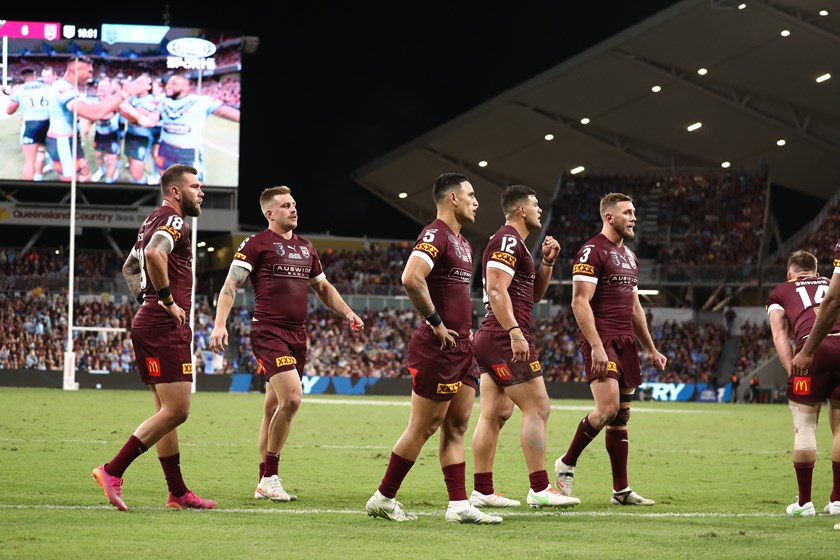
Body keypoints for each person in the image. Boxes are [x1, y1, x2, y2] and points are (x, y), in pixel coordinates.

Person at [208, 186, 364, 502]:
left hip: (298, 335)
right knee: (292, 399)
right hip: (268, 332)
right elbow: (231, 285)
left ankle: (262, 481)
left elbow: (323, 288)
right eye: (285, 206)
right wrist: (220, 324)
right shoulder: (256, 244)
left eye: (293, 204)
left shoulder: (306, 247)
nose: (293, 209)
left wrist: (347, 311)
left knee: (272, 408)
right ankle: (271, 476)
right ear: (269, 213)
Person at [365, 173, 501, 524]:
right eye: (471, 195)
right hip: (438, 346)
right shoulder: (435, 234)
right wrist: (436, 322)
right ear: (453, 198)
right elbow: (411, 277)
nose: (476, 201)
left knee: (456, 426)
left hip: (462, 348)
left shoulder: (463, 243)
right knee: (423, 427)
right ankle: (383, 498)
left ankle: (458, 505)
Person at [91, 164, 216, 511]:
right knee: (177, 411)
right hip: (163, 325)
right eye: (195, 187)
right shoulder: (174, 221)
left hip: (150, 321)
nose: (201, 192)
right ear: (176, 191)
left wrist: (146, 300)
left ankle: (177, 492)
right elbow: (153, 254)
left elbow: (130, 267)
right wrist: (166, 301)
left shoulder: (150, 222)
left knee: (165, 411)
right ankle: (112, 470)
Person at [469, 185, 580, 509]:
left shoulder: (516, 245)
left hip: (493, 335)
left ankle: (482, 490)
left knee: (494, 414)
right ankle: (540, 488)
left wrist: (546, 263)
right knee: (538, 407)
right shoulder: (507, 240)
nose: (539, 209)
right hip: (503, 335)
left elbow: (531, 296)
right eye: (535, 204)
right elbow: (496, 289)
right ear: (521, 210)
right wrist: (515, 332)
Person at [553, 192, 667, 506]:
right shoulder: (592, 251)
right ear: (609, 217)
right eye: (627, 212)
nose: (633, 218)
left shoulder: (630, 257)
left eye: (634, 212)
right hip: (601, 338)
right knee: (607, 409)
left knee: (621, 416)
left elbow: (635, 308)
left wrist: (651, 349)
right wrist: (596, 346)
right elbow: (579, 302)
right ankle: (566, 462)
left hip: (626, 340)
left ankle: (621, 490)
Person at [768, 250, 840, 517]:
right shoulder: (831, 281)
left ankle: (804, 503)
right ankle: (837, 501)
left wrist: (792, 369)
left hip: (813, 348)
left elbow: (780, 334)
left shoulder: (780, 292)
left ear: (790, 273)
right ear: (817, 272)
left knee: (805, 425)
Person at [45, 56, 150, 182]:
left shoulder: (68, 87)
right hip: (63, 143)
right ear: (77, 70)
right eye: (89, 71)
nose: (91, 76)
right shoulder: (63, 88)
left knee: (85, 175)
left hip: (72, 140)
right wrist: (125, 93)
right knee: (72, 185)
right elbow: (92, 113)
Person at [143, 73, 240, 183]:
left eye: (174, 83)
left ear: (186, 87)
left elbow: (228, 113)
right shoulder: (163, 101)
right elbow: (150, 120)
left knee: (194, 187)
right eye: (168, 83)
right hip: (165, 149)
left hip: (188, 152)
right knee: (166, 182)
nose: (168, 86)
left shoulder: (201, 101)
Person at [5, 67, 49, 180]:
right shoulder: (46, 87)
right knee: (41, 152)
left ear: (23, 77)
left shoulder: (20, 90)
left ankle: (28, 187)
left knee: (29, 161)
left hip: (30, 124)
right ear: (35, 75)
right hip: (46, 123)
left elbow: (9, 110)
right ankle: (39, 178)